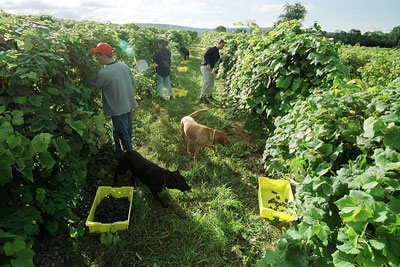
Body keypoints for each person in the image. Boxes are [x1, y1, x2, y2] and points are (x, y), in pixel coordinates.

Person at [90, 42, 138, 158]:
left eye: (97, 55)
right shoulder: (124, 66)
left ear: (103, 55)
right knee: (123, 132)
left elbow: (97, 86)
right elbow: (133, 83)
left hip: (116, 109)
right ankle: (120, 155)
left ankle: (130, 160)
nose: (97, 58)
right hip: (127, 105)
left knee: (123, 137)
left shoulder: (103, 73)